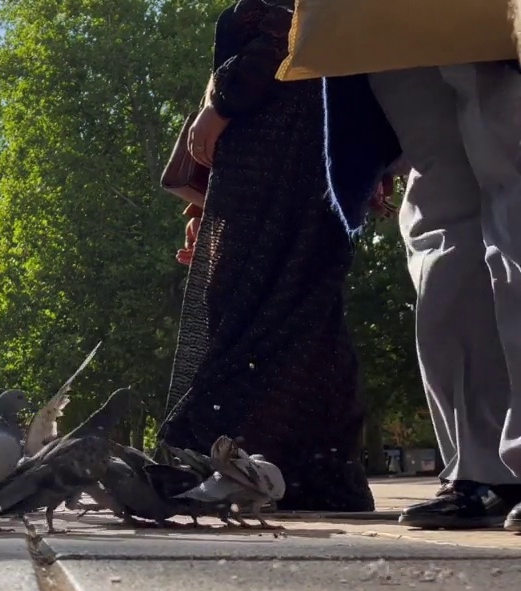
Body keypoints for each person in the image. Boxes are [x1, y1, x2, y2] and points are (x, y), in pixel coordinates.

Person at [158, 0, 376, 511]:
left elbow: (287, 29)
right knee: (300, 308)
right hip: (300, 162)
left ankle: (234, 460)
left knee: (254, 309)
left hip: (278, 162)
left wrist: (220, 108)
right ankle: (304, 469)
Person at [366, 60, 521, 531]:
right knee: (446, 224)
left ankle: (486, 468)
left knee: (505, 184)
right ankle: (482, 469)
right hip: (398, 29)